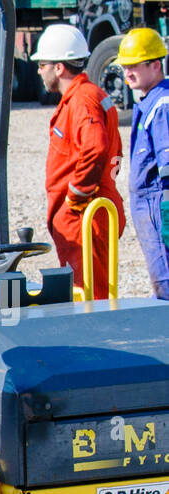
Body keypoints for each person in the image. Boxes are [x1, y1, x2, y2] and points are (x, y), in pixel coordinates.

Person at [34, 23, 126, 299]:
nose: (39, 71)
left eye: (42, 65)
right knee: (91, 292)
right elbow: (115, 153)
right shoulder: (90, 96)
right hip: (89, 212)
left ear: (59, 68)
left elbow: (96, 148)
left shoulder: (82, 101)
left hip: (83, 215)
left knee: (88, 296)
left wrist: (76, 195)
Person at [120, 28, 169, 299]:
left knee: (166, 280)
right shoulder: (149, 102)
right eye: (125, 66)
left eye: (134, 66)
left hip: (157, 207)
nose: (128, 72)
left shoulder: (162, 105)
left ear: (156, 65)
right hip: (150, 206)